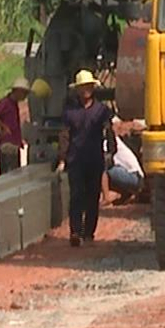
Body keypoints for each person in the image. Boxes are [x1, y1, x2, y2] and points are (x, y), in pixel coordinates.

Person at [59, 69, 114, 246]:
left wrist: (110, 153)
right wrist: (62, 158)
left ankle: (88, 233)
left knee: (92, 197)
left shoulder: (102, 111)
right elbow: (65, 135)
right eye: (82, 87)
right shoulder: (69, 112)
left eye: (88, 87)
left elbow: (109, 132)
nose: (85, 90)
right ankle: (76, 232)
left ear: (93, 87)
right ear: (77, 90)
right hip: (75, 160)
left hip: (95, 159)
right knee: (76, 195)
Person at [0, 77, 30, 174]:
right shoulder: (6, 103)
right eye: (24, 93)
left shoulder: (13, 104)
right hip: (8, 144)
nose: (25, 96)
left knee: (14, 173)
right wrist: (3, 126)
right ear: (18, 91)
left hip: (14, 143)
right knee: (10, 174)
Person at [105, 123, 144, 204]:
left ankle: (106, 197)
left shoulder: (107, 141)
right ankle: (125, 194)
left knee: (99, 168)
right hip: (131, 176)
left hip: (134, 177)